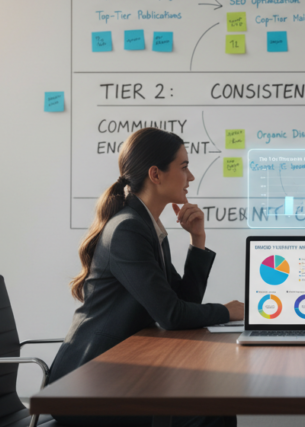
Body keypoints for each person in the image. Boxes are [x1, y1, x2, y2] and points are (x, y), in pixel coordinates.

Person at [50, 128, 242, 427]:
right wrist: (228, 311)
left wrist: (198, 240)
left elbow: (182, 303)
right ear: (156, 174)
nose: (191, 177)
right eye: (183, 167)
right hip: (86, 384)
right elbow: (171, 315)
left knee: (215, 405)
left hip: (118, 371)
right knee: (209, 410)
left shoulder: (146, 226)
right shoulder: (128, 229)